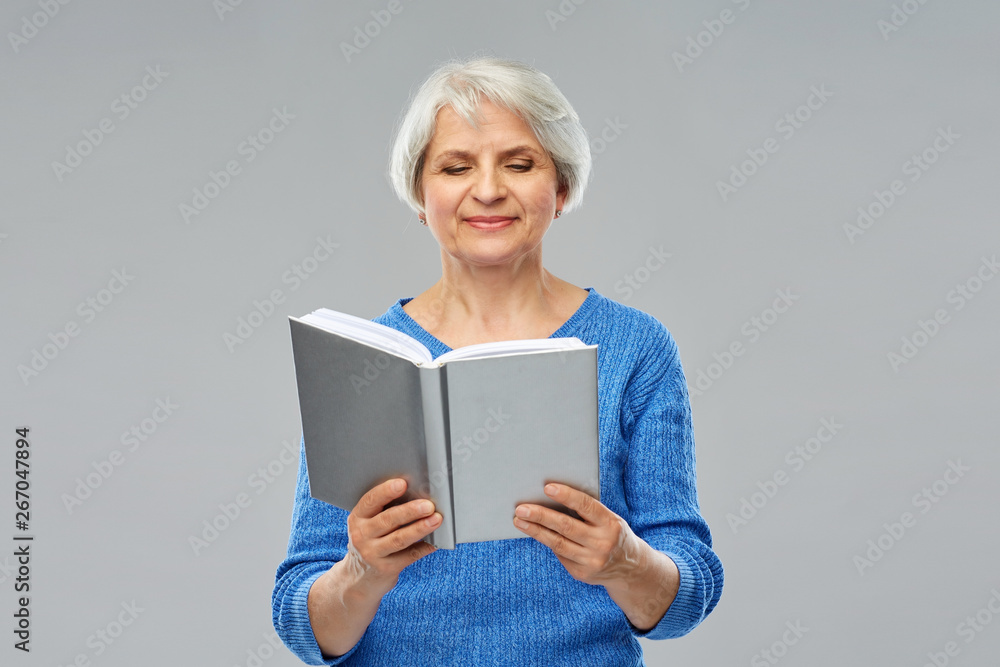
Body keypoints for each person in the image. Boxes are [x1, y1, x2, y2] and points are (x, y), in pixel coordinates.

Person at [272, 55, 723, 666]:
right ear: (420, 193)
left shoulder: (635, 347)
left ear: (561, 188)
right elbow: (301, 622)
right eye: (456, 167)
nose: (487, 190)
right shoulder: (360, 361)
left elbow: (686, 598)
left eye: (520, 163)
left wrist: (623, 561)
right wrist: (362, 570)